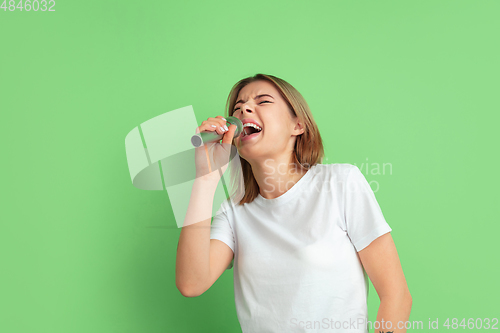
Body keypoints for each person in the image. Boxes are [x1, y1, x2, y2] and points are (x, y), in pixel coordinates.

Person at [176, 74, 412, 333]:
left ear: (297, 125)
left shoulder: (341, 182)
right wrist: (205, 179)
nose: (243, 109)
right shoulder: (233, 212)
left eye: (263, 101)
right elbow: (191, 283)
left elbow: (396, 295)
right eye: (237, 107)